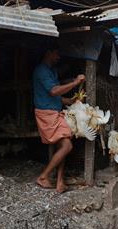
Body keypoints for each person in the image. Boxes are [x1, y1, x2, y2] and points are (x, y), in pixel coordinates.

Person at [33, 45, 85, 193]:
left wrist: (69, 101)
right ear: (48, 53)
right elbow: (54, 91)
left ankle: (60, 181)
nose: (59, 57)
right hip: (47, 115)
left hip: (55, 112)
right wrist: (75, 82)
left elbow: (53, 95)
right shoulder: (41, 71)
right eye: (56, 54)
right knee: (66, 146)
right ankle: (43, 176)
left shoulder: (51, 71)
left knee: (64, 145)